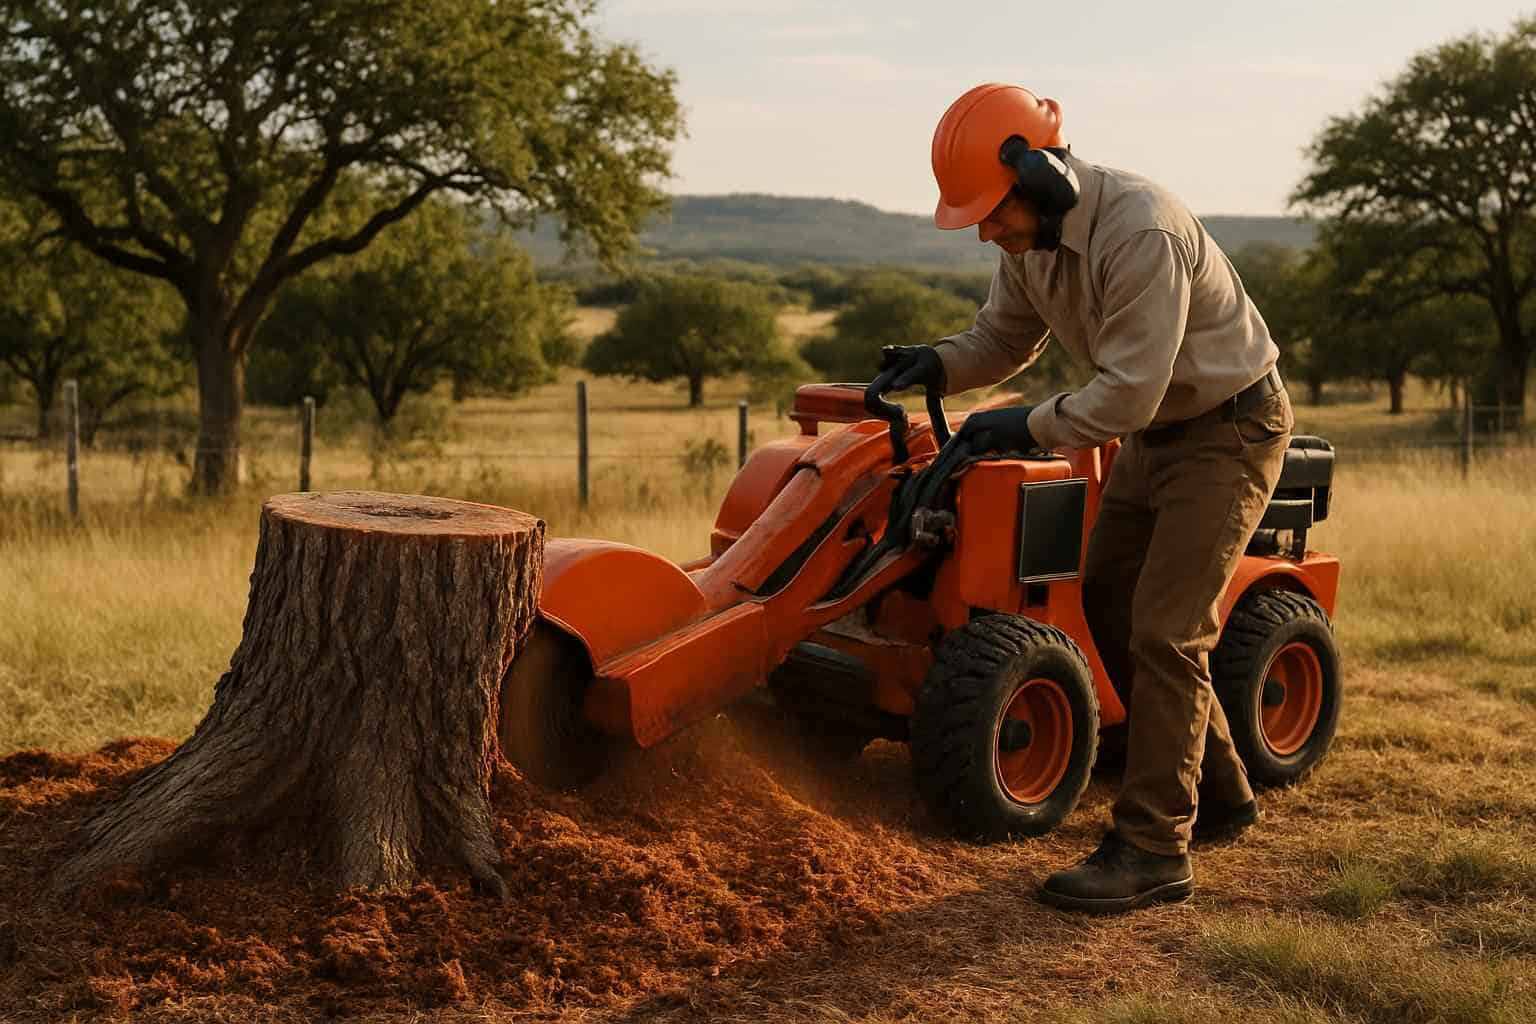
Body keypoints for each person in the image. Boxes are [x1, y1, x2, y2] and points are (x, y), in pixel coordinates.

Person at [881, 82, 1294, 914]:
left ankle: (1152, 849)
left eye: (993, 211)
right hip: (1158, 437)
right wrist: (938, 364)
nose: (987, 230)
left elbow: (1131, 391)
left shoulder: (1140, 230)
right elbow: (1003, 339)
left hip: (1228, 431)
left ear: (1042, 177)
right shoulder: (1027, 244)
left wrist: (1024, 427)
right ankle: (1218, 788)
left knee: (1169, 631)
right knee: (1108, 602)